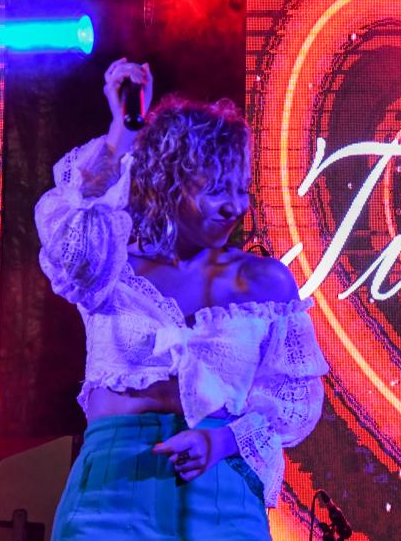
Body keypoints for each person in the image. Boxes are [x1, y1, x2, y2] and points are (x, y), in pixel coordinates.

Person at [35, 58, 329, 540]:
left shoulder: (265, 283)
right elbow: (69, 222)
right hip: (112, 489)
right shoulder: (109, 266)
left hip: (222, 495)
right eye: (216, 190)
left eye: (241, 189)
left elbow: (292, 404)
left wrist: (221, 441)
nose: (235, 206)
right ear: (169, 183)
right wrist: (122, 132)